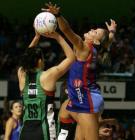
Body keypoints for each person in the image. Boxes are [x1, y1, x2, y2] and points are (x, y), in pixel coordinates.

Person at [42, 2, 117, 140]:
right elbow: (108, 41)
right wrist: (111, 32)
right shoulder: (97, 47)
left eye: (95, 32)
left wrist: (58, 15)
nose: (92, 29)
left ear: (95, 41)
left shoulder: (84, 47)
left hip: (86, 100)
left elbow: (66, 30)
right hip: (85, 97)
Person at [18, 29, 75, 140]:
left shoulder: (21, 74)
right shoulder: (48, 75)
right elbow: (71, 58)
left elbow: (26, 56)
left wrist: (36, 37)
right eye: (43, 59)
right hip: (44, 131)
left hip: (25, 132)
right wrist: (58, 37)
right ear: (39, 61)